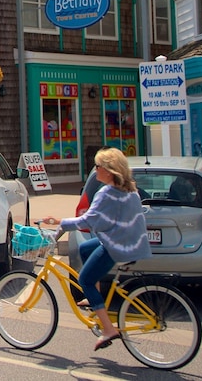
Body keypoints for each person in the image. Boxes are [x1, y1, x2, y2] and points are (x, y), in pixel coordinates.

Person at [46, 147, 151, 351]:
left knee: (84, 279)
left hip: (117, 245)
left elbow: (88, 220)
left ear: (109, 170)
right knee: (85, 249)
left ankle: (108, 329)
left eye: (97, 166)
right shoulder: (129, 190)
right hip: (128, 241)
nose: (95, 170)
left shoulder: (107, 193)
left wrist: (60, 223)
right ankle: (95, 297)